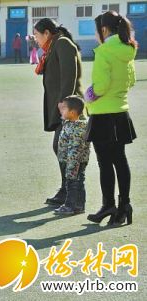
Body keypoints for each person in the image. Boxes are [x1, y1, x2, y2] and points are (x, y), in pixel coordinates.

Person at [85, 11, 137, 226]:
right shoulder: (127, 50)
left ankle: (109, 205)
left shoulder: (104, 51)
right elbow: (131, 80)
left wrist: (89, 94)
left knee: (105, 163)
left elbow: (101, 86)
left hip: (103, 114)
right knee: (120, 161)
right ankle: (123, 205)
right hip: (120, 112)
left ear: (103, 30)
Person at [33, 18, 83, 207]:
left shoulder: (62, 44)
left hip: (69, 110)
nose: (36, 39)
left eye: (37, 35)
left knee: (65, 150)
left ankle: (71, 193)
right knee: (61, 149)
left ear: (47, 33)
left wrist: (65, 108)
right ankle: (66, 190)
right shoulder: (54, 45)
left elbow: (69, 78)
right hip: (62, 108)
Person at [54, 96, 90, 215]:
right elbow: (63, 114)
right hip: (71, 161)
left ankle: (70, 205)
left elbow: (75, 150)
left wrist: (71, 166)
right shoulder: (69, 122)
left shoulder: (78, 129)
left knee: (73, 183)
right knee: (78, 182)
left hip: (75, 162)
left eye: (64, 109)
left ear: (73, 113)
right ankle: (79, 205)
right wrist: (62, 106)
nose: (61, 111)